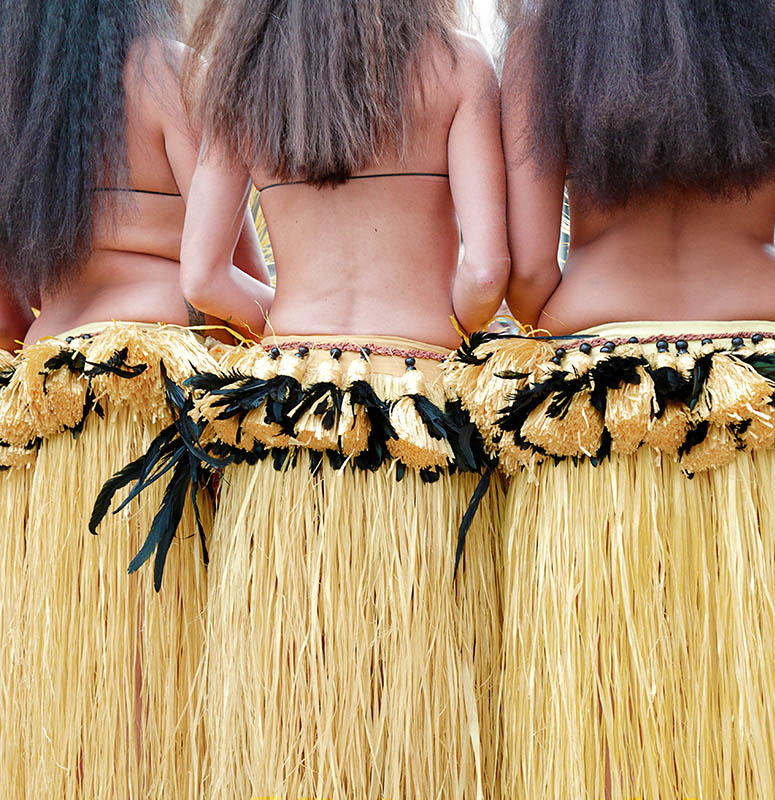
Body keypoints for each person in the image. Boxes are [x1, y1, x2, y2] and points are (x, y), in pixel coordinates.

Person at [446, 0, 775, 796]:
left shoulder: (543, 34)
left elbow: (529, 272)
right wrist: (768, 272)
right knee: (758, 696)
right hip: (763, 394)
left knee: (608, 713)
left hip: (601, 399)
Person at [163, 0, 510, 795]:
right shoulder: (459, 64)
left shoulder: (244, 80)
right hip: (416, 405)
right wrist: (439, 330)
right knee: (419, 681)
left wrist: (286, 329)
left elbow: (202, 278)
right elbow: (489, 271)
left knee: (291, 681)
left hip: (285, 408)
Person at [0, 1, 271, 796]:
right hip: (155, 417)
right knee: (161, 664)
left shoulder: (12, 103)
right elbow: (229, 276)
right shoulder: (172, 71)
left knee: (65, 676)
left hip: (47, 413)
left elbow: (8, 319)